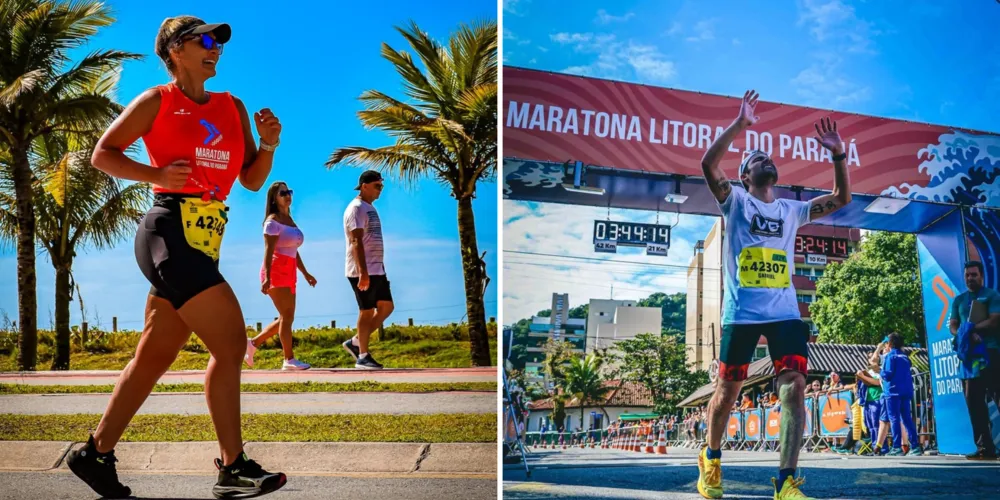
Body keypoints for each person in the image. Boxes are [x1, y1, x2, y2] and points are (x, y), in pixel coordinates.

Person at [66, 16, 287, 498]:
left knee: (154, 356)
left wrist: (268, 144)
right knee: (229, 344)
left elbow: (251, 180)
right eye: (204, 41)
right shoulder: (157, 101)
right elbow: (103, 154)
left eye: (218, 42)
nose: (215, 49)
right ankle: (233, 466)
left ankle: (94, 453)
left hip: (206, 238)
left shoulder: (233, 106)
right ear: (174, 50)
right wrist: (156, 174)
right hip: (167, 232)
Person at [697, 89, 852, 500]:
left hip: (784, 312)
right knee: (727, 390)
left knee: (794, 385)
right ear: (745, 176)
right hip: (742, 314)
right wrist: (738, 125)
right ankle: (711, 459)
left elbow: (841, 199)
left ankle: (786, 481)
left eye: (768, 159)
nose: (765, 160)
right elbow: (708, 164)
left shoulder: (791, 210)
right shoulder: (734, 201)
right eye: (755, 160)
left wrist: (838, 156)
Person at [244, 181, 318, 370]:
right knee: (287, 315)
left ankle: (252, 344)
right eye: (282, 193)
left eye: (289, 191)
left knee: (286, 316)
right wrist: (267, 277)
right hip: (276, 270)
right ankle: (289, 359)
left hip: (290, 270)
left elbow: (293, 250)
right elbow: (268, 251)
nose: (287, 195)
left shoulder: (290, 220)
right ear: (274, 199)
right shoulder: (272, 222)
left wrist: (306, 273)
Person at [341, 170, 394, 369]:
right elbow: (356, 241)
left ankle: (355, 342)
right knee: (366, 311)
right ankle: (363, 355)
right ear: (365, 185)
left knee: (386, 307)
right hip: (362, 270)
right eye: (377, 186)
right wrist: (363, 272)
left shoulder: (368, 207)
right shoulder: (356, 208)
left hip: (376, 268)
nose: (380, 190)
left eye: (382, 186)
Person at [948, 260, 1000, 460]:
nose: (970, 278)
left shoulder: (992, 296)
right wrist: (963, 332)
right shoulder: (959, 300)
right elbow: (953, 325)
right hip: (970, 361)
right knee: (974, 403)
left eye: (974, 275)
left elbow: (995, 319)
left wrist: (973, 329)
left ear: (981, 276)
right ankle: (985, 449)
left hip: (991, 355)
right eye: (967, 275)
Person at [881, 333, 923, 456]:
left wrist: (879, 370)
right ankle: (915, 446)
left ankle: (896, 447)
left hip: (893, 392)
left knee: (894, 419)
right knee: (907, 419)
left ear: (889, 343)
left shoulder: (890, 357)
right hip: (906, 391)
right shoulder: (905, 357)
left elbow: (887, 375)